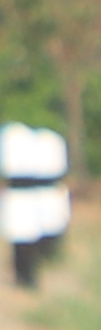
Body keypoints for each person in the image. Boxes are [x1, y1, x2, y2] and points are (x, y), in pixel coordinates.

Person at [1, 117, 68, 292]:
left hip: (30, 197)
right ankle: (26, 277)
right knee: (27, 239)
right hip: (30, 196)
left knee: (27, 239)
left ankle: (26, 277)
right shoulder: (41, 141)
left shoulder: (19, 141)